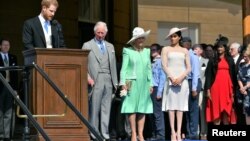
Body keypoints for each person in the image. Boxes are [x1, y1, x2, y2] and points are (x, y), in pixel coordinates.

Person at [81, 21, 118, 140]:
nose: (100, 35)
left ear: (106, 33)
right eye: (98, 33)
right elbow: (82, 64)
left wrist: (115, 83)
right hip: (95, 80)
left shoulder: (110, 46)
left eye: (103, 33)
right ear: (94, 32)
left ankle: (105, 134)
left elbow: (113, 66)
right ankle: (94, 133)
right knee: (94, 108)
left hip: (108, 79)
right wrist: (88, 78)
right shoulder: (87, 45)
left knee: (106, 108)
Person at [119, 27, 153, 141]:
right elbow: (123, 69)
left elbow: (149, 69)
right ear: (134, 39)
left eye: (143, 37)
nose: (141, 40)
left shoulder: (147, 51)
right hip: (131, 82)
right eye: (139, 38)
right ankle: (133, 133)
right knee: (131, 108)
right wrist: (123, 83)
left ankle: (141, 134)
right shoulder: (127, 51)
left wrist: (151, 84)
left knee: (142, 108)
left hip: (144, 83)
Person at [161, 27, 191, 141]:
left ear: (179, 37)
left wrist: (181, 78)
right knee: (171, 107)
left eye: (174, 36)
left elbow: (189, 68)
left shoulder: (185, 51)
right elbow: (164, 65)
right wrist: (172, 78)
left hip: (182, 82)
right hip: (170, 80)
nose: (172, 38)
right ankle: (172, 133)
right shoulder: (165, 49)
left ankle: (179, 132)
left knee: (180, 108)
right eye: (171, 36)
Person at [205, 35, 237, 125]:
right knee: (216, 112)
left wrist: (233, 91)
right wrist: (208, 90)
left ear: (225, 48)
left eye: (221, 47)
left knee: (226, 112)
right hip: (215, 89)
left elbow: (233, 76)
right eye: (218, 47)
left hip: (227, 89)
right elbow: (208, 76)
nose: (219, 49)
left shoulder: (230, 60)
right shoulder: (212, 60)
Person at [182, 37, 201, 140]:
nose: (183, 44)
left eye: (185, 42)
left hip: (193, 82)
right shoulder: (183, 54)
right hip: (186, 82)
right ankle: (189, 132)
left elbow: (195, 74)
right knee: (186, 109)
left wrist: (194, 88)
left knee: (193, 109)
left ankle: (193, 133)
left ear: (189, 44)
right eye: (183, 42)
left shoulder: (192, 55)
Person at [0, 38, 18, 141]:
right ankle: (0, 135)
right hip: (0, 88)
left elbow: (15, 75)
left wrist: (15, 89)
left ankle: (7, 136)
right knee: (0, 112)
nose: (6, 47)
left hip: (10, 87)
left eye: (8, 45)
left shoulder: (13, 57)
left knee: (9, 112)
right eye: (4, 45)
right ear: (0, 46)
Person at [149, 43, 166, 140]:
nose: (152, 51)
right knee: (151, 113)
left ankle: (160, 135)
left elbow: (162, 77)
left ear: (159, 51)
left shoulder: (160, 61)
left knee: (157, 113)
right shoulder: (152, 61)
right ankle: (154, 134)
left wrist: (159, 92)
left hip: (156, 89)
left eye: (154, 49)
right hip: (151, 89)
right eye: (151, 50)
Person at [192, 44, 209, 140]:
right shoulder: (190, 60)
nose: (194, 50)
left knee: (202, 111)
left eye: (196, 49)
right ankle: (195, 131)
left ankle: (203, 132)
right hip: (192, 89)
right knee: (194, 111)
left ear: (201, 51)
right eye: (193, 49)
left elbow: (206, 76)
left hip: (201, 89)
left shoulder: (206, 61)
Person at [229, 42, 245, 125]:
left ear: (238, 50)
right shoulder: (228, 60)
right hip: (232, 89)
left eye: (232, 49)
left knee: (242, 111)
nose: (230, 51)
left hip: (242, 89)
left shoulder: (243, 60)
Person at [237, 45, 250, 125]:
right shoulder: (242, 65)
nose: (244, 58)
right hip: (245, 93)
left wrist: (245, 87)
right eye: (243, 56)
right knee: (247, 112)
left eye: (246, 56)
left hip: (248, 89)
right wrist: (242, 88)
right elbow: (238, 77)